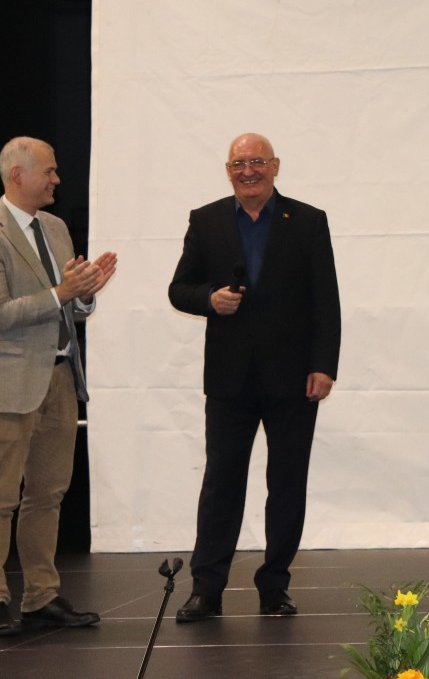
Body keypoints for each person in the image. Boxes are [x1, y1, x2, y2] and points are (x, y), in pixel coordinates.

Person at [169, 133, 342, 622]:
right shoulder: (205, 219)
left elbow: (325, 299)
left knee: (286, 484)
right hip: (229, 380)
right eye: (239, 163)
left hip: (294, 379)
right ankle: (207, 589)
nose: (249, 171)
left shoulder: (308, 220)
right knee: (221, 484)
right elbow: (179, 289)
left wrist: (324, 365)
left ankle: (274, 587)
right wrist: (209, 299)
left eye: (257, 162)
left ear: (275, 166)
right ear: (228, 170)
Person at [0, 136, 117, 636]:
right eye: (48, 171)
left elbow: (68, 308)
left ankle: (41, 596)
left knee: (48, 494)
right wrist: (63, 291)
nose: (56, 180)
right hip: (5, 384)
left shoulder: (56, 228)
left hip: (59, 378)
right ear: (17, 175)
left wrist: (84, 296)